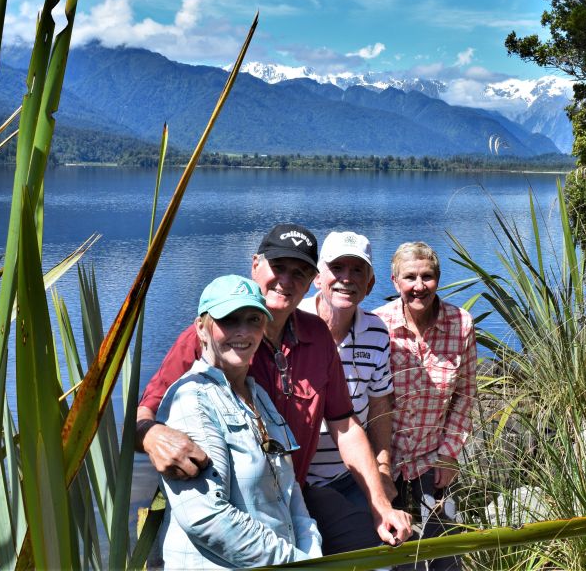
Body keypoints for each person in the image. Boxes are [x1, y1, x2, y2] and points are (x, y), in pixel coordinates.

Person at [137, 223, 411, 555]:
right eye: (278, 267)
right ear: (255, 265)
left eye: (299, 272)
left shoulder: (317, 336)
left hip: (289, 497)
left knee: (374, 552)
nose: (286, 280)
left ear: (311, 282)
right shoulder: (213, 335)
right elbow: (145, 411)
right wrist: (152, 436)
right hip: (223, 508)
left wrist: (380, 505)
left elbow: (345, 424)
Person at [156, 275, 321, 569]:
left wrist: (311, 552)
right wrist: (293, 562)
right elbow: (206, 518)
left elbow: (289, 491)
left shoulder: (258, 397)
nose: (243, 332)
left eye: (254, 320)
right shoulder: (192, 400)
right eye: (229, 320)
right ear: (201, 329)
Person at [374, 242, 478, 571]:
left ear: (438, 279)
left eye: (428, 277)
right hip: (385, 464)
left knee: (444, 557)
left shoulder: (460, 324)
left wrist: (449, 455)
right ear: (394, 281)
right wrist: (379, 469)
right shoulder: (377, 326)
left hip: (433, 461)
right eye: (410, 277)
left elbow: (465, 394)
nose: (419, 286)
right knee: (390, 556)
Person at [298, 231, 396, 507]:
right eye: (337, 268)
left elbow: (379, 405)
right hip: (292, 476)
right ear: (317, 278)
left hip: (349, 476)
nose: (347, 278)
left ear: (370, 283)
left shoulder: (376, 331)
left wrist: (383, 468)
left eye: (357, 270)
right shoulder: (292, 321)